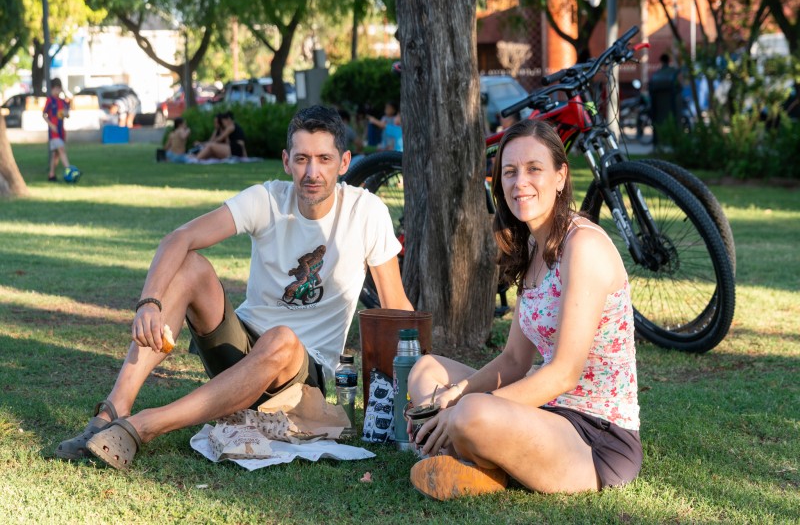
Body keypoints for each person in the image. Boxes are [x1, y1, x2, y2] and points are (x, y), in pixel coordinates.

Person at [55, 105, 413, 469]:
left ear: (344, 162)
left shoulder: (366, 212)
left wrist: (421, 384)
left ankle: (143, 426)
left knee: (282, 338)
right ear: (286, 161)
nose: (312, 172)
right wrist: (149, 303)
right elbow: (179, 237)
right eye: (302, 158)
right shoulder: (268, 199)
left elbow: (395, 307)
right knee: (191, 265)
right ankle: (112, 410)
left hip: (304, 374)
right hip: (239, 350)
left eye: (324, 159)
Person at [405, 120, 641, 501]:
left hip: (594, 437)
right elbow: (514, 359)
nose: (520, 183)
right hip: (543, 411)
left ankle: (469, 451)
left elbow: (565, 372)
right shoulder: (533, 247)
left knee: (470, 413)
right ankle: (481, 462)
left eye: (534, 169)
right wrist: (457, 391)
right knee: (426, 371)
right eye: (510, 172)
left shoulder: (583, 246)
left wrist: (464, 406)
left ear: (561, 176)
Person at [43, 78, 78, 182]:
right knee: (61, 149)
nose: (57, 91)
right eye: (56, 89)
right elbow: (44, 114)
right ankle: (69, 169)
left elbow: (67, 114)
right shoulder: (50, 100)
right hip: (54, 132)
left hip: (61, 131)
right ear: (52, 89)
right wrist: (51, 125)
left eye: (59, 89)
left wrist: (66, 113)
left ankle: (51, 175)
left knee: (56, 154)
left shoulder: (63, 102)